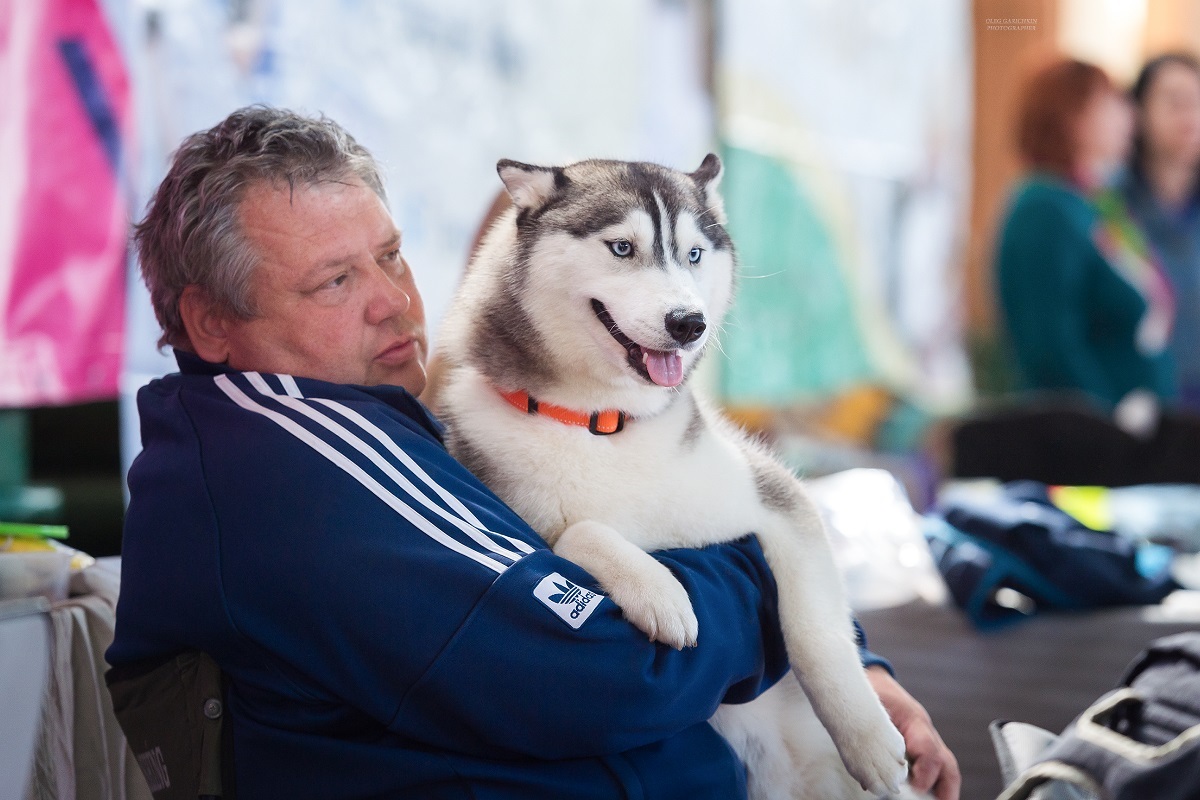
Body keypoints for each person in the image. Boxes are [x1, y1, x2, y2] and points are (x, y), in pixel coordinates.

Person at [107, 106, 959, 799]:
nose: (395, 303)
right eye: (335, 281)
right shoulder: (295, 463)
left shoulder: (362, 421)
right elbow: (603, 667)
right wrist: (768, 585)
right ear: (211, 323)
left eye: (391, 256)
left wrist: (851, 665)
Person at [996, 58, 1175, 429]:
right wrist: (1107, 428)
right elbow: (1050, 348)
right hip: (1088, 444)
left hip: (1132, 436)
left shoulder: (1093, 203)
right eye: (1109, 103)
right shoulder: (1044, 207)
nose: (1128, 116)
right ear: (1070, 116)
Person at [1120, 53, 1200, 411]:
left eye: (1197, 104)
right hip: (1135, 412)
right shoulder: (1107, 206)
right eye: (1175, 102)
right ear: (1136, 112)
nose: (1189, 117)